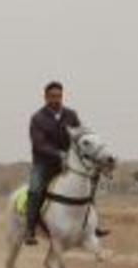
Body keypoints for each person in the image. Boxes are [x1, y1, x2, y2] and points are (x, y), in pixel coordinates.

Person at [24, 81, 109, 245]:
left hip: (68, 164)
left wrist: (89, 144)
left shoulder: (71, 115)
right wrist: (58, 154)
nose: (56, 99)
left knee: (87, 185)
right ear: (46, 97)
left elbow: (80, 134)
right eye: (53, 96)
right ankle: (30, 229)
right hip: (44, 164)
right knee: (35, 190)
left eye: (59, 96)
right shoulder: (37, 119)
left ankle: (94, 226)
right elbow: (38, 144)